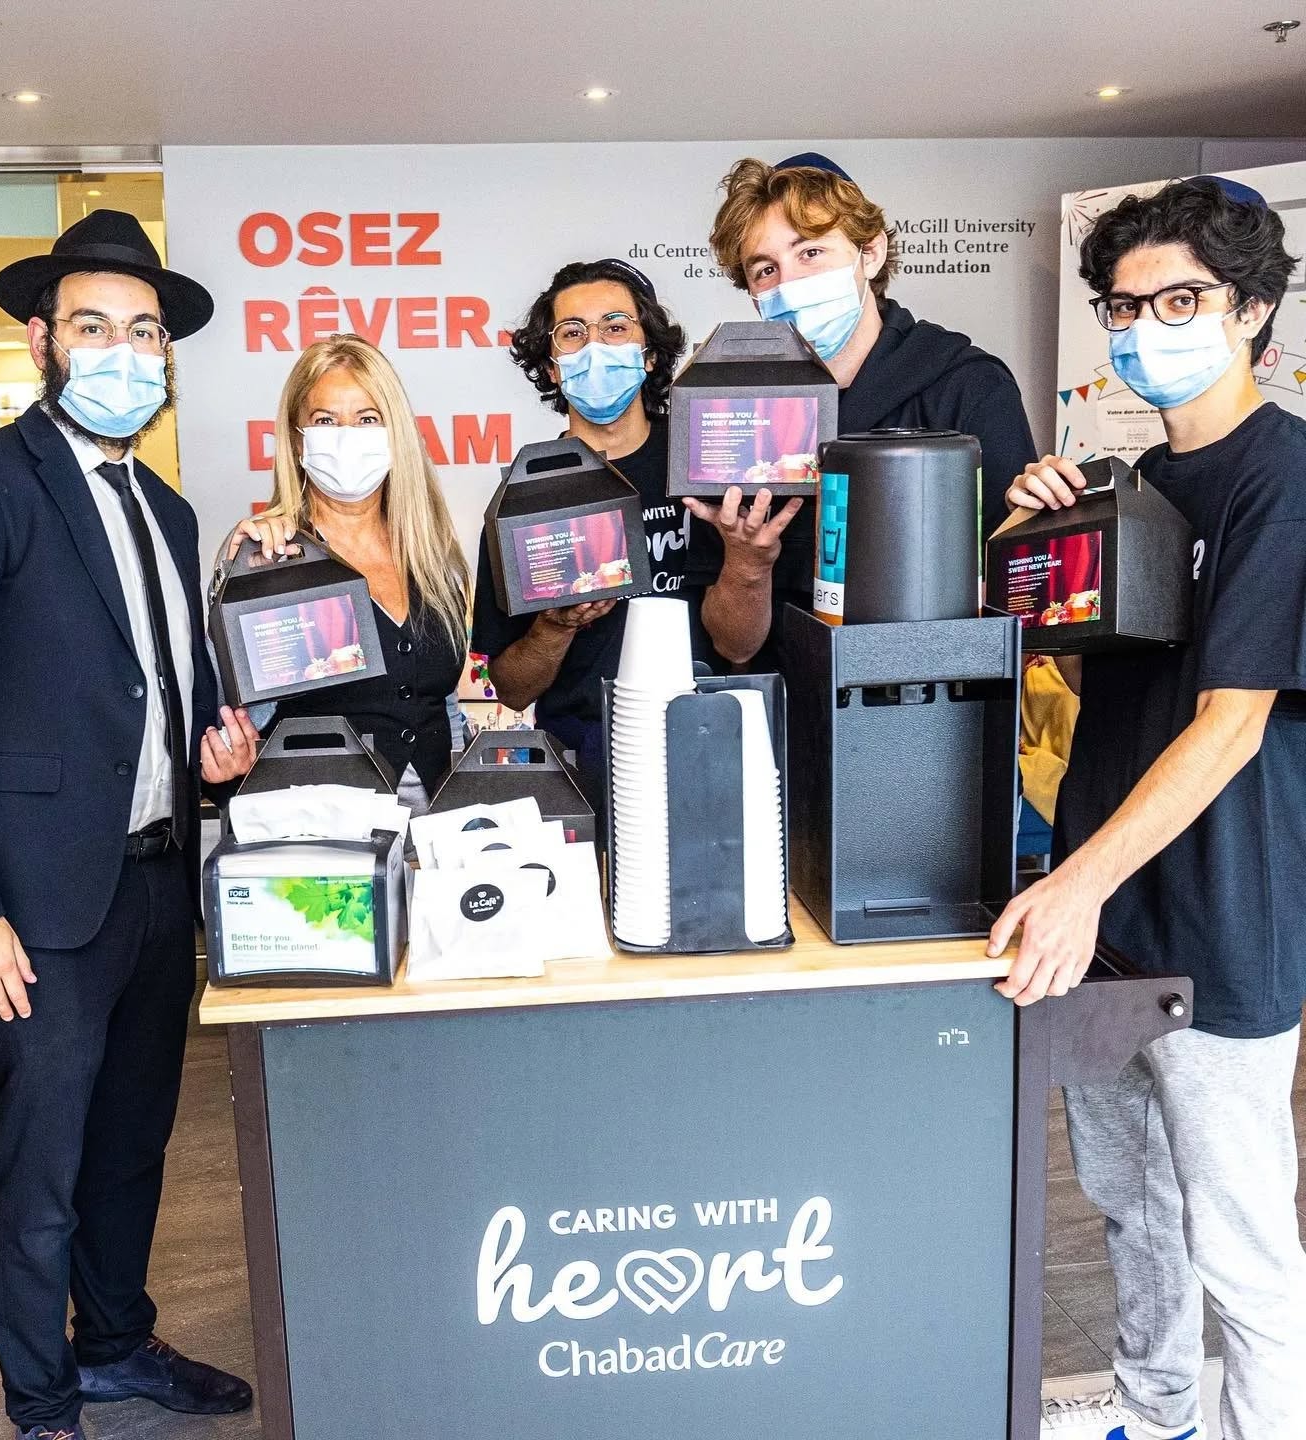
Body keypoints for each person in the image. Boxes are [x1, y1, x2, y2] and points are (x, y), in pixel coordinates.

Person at [0, 210, 259, 1440]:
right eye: (95, 327)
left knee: (135, 1141)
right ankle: (43, 1402)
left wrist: (215, 752)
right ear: (41, 340)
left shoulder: (171, 508)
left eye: (145, 333)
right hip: (33, 908)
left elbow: (152, 690)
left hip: (152, 886)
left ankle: (119, 1342)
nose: (124, 352)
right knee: (37, 1170)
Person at [985, 178, 1306, 1440]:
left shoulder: (1284, 481)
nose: (1144, 326)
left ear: (1254, 314)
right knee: (1131, 1205)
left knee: (1243, 1244)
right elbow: (1033, 659)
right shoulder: (1125, 486)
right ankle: (1156, 1414)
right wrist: (1024, 541)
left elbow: (1230, 722)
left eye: (1181, 299)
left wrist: (1073, 885)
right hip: (1108, 920)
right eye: (1124, 305)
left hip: (1221, 922)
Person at [689, 152, 1038, 667]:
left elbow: (1018, 600)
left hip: (933, 712)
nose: (788, 283)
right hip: (782, 717)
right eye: (765, 270)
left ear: (870, 253)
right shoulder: (737, 415)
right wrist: (747, 563)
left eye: (809, 253)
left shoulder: (967, 384)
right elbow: (732, 645)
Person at [468, 258, 694, 813]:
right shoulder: (525, 497)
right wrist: (554, 626)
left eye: (615, 327)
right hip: (582, 756)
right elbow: (508, 687)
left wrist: (747, 557)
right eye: (572, 334)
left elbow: (745, 645)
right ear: (551, 367)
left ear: (649, 353)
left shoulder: (704, 466)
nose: (595, 345)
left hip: (704, 733)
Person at [221, 333, 471, 810]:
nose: (348, 434)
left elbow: (444, 704)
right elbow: (240, 727)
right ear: (297, 441)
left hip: (435, 837)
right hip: (321, 835)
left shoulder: (432, 555)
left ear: (394, 433)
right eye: (326, 420)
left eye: (368, 419)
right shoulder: (271, 556)